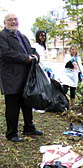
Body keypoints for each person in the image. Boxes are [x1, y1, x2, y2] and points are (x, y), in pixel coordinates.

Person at [0, 13, 43, 142]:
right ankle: (11, 133)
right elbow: (6, 53)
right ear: (5, 22)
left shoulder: (22, 36)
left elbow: (31, 50)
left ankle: (29, 127)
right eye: (10, 20)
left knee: (27, 103)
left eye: (15, 19)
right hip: (11, 77)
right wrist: (27, 58)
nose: (13, 22)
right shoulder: (2, 36)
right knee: (13, 106)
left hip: (26, 77)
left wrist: (35, 56)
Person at [60, 44, 83, 109]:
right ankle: (61, 103)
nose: (74, 51)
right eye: (72, 49)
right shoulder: (67, 56)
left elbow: (79, 67)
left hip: (74, 76)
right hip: (67, 75)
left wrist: (80, 74)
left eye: (75, 49)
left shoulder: (78, 58)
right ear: (70, 50)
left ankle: (72, 106)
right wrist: (71, 61)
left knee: (73, 91)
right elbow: (66, 65)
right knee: (64, 89)